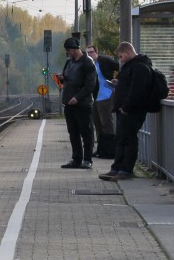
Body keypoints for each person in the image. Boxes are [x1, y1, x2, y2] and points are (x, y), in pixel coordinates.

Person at [101, 41, 154, 181]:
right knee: (120, 139)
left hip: (132, 111)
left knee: (129, 139)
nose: (120, 60)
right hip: (123, 110)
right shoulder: (131, 66)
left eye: (121, 56)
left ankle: (126, 170)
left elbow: (137, 90)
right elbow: (129, 85)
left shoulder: (140, 67)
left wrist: (126, 106)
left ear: (127, 52)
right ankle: (117, 168)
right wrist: (118, 84)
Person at [56, 37, 96, 169]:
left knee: (86, 132)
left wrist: (78, 98)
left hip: (82, 104)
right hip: (69, 103)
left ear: (74, 49)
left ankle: (87, 159)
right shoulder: (69, 63)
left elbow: (90, 84)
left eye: (68, 51)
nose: (67, 53)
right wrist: (63, 78)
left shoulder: (87, 62)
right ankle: (76, 158)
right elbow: (67, 81)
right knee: (73, 132)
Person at [85, 45, 119, 159]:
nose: (90, 54)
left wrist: (115, 78)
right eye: (88, 53)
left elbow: (118, 67)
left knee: (107, 123)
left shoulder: (104, 61)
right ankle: (100, 149)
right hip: (96, 97)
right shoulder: (90, 65)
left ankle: (109, 151)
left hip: (107, 94)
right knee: (98, 124)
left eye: (91, 52)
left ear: (96, 52)